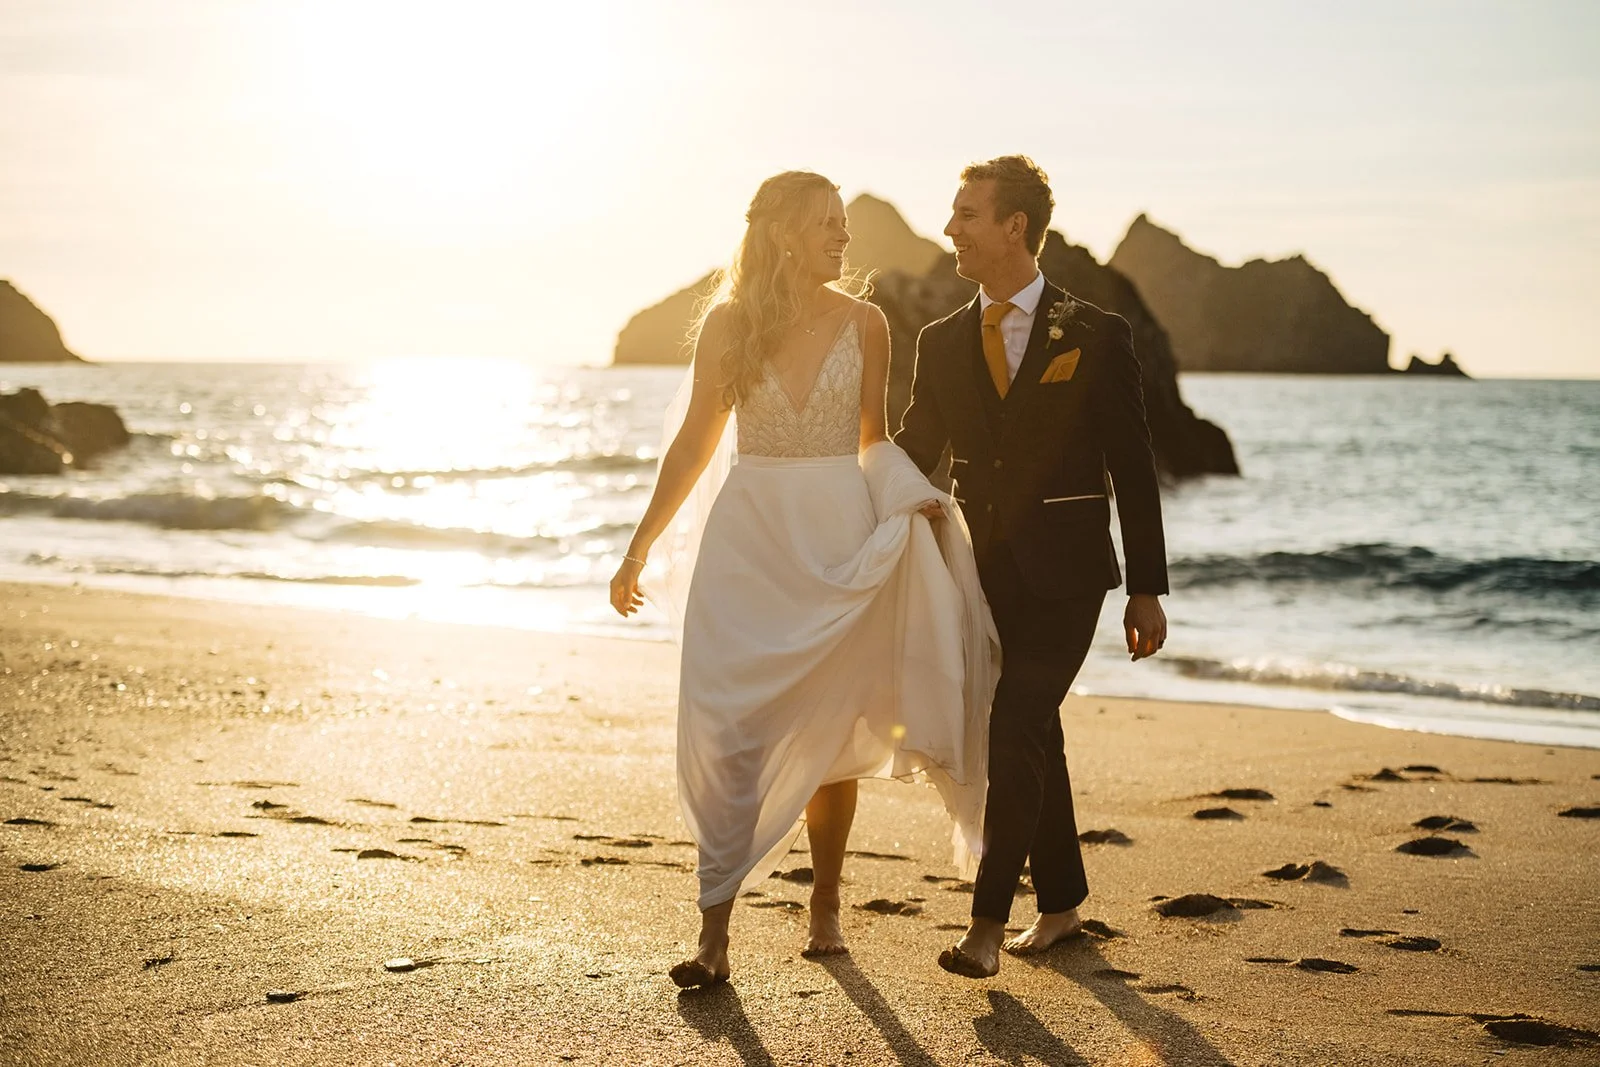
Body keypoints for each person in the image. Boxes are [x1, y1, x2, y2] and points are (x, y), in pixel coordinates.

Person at [609, 171, 996, 989]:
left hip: (833, 538)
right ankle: (714, 931)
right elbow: (693, 446)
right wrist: (639, 546)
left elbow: (871, 439)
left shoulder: (868, 321)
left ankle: (825, 900)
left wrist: (912, 498)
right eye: (828, 224)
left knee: (829, 728)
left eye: (845, 225)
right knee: (734, 728)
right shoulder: (727, 324)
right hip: (747, 543)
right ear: (785, 231)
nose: (843, 238)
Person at [895, 155, 1170, 979]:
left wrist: (1148, 586)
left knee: (1013, 720)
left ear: (1014, 226)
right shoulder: (939, 341)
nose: (951, 229)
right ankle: (1062, 904)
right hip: (979, 573)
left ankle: (985, 924)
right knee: (1032, 728)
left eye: (967, 215)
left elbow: (1134, 463)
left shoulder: (1096, 332)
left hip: (1070, 575)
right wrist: (842, 495)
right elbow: (916, 450)